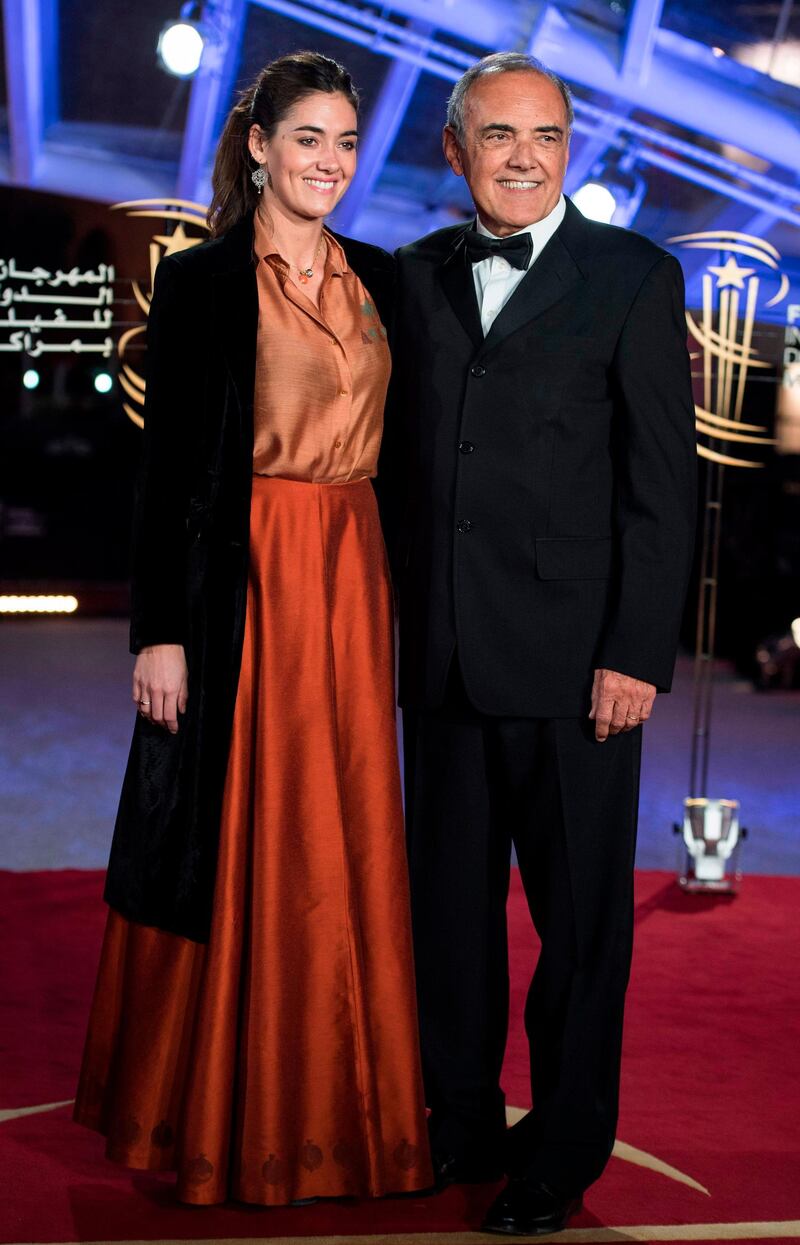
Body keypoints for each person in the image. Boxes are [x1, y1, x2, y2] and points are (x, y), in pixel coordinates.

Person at [74, 51, 432, 1207]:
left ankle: (343, 1096)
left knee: (345, 835)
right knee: (236, 829)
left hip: (352, 578)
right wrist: (159, 635)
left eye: (343, 143)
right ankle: (224, 1108)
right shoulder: (203, 284)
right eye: (307, 140)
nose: (327, 162)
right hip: (248, 584)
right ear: (259, 147)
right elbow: (168, 471)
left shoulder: (381, 278)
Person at [388, 52, 697, 1236]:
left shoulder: (630, 275)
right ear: (454, 148)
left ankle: (559, 1157)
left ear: (570, 149)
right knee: (448, 920)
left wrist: (633, 652)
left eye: (546, 136)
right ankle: (456, 1123)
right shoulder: (411, 273)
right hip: (445, 659)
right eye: (499, 136)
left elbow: (659, 491)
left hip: (580, 672)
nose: (523, 157)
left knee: (577, 933)